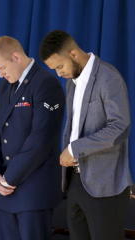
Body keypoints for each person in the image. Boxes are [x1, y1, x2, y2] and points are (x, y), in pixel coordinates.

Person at [40, 30, 133, 240]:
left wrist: (74, 149)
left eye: (59, 66)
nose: (58, 73)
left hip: (105, 187)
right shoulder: (71, 82)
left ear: (73, 54)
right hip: (75, 183)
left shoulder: (109, 77)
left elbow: (120, 126)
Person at [0, 36, 65, 240]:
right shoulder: (5, 87)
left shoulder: (46, 84)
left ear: (16, 57)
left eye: (2, 67)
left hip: (33, 191)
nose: (0, 74)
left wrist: (9, 178)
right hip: (4, 191)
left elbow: (41, 138)